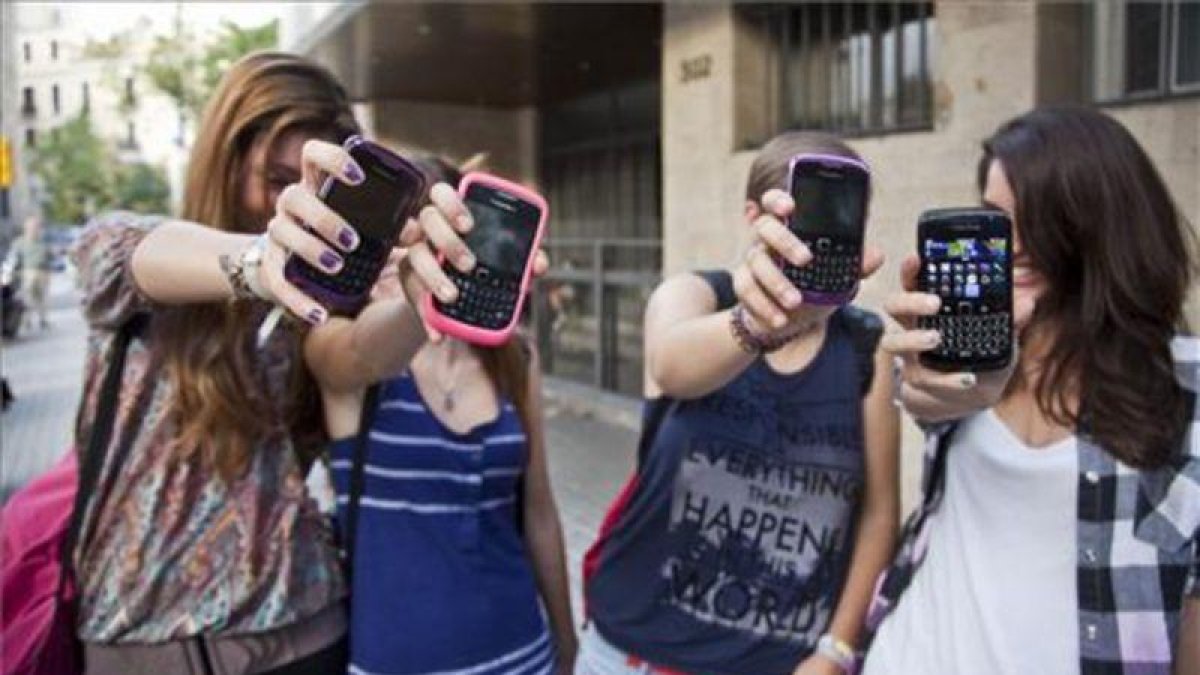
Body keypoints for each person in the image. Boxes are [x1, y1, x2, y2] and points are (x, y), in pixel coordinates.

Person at [67, 52, 474, 673]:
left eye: (312, 188)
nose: (290, 206)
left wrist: (423, 306)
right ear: (223, 158)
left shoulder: (320, 300)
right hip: (146, 640)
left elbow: (358, 355)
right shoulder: (130, 249)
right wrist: (260, 262)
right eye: (278, 178)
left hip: (306, 627)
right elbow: (138, 255)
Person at [862, 106, 1200, 674]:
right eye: (996, 217)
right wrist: (935, 385)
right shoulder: (966, 347)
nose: (1011, 245)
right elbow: (926, 397)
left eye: (1039, 218)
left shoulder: (1187, 388)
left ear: (1097, 222)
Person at [577, 131, 899, 675]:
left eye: (843, 220)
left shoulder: (866, 345)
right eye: (806, 219)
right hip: (636, 654)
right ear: (756, 217)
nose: (823, 239)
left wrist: (836, 651)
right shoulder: (696, 296)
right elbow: (670, 366)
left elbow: (879, 510)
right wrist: (760, 324)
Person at [303, 155, 577, 673]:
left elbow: (538, 510)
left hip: (521, 654)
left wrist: (566, 640)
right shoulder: (342, 352)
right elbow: (361, 350)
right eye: (402, 235)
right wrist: (414, 303)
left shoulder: (516, 359)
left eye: (435, 235)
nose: (416, 253)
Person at [13, 215, 52, 330]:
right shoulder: (19, 243)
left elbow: (49, 257)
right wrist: (16, 272)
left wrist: (48, 271)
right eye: (32, 227)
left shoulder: (42, 242)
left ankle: (43, 319)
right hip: (28, 272)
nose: (35, 229)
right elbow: (15, 258)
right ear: (26, 228)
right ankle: (27, 320)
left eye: (37, 227)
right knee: (27, 298)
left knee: (42, 298)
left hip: (42, 272)